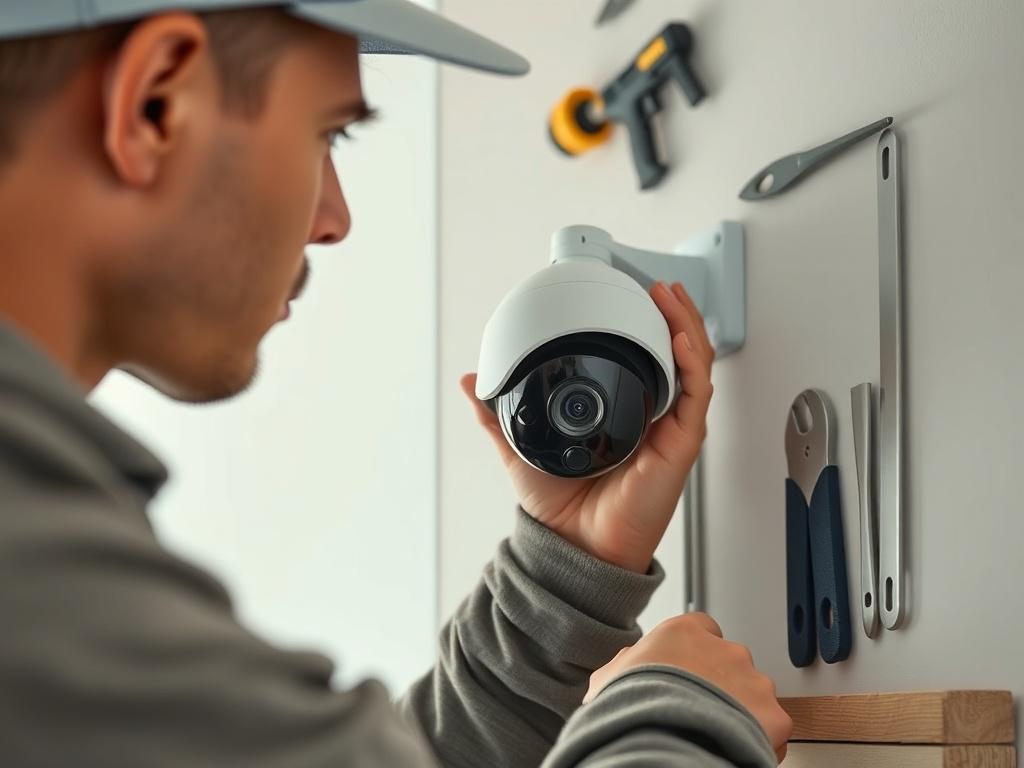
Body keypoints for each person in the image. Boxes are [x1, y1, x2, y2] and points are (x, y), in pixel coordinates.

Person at [0, 2, 793, 766]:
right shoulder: (34, 566)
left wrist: (569, 574)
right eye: (326, 134)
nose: (335, 218)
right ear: (155, 103)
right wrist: (679, 719)